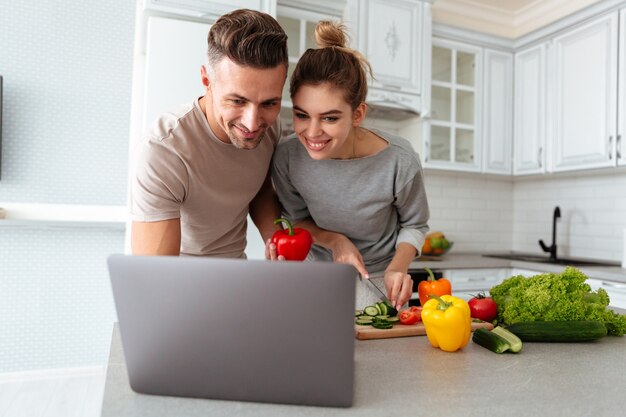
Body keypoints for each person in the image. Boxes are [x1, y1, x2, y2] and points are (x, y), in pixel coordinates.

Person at [270, 21, 430, 309]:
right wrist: (335, 241)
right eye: (302, 115)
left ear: (358, 114)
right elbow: (295, 220)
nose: (312, 132)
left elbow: (415, 224)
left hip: (380, 280)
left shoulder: (399, 159)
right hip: (316, 277)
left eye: (330, 118)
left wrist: (398, 266)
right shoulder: (288, 156)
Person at [130, 9, 288, 258]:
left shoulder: (270, 128)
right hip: (180, 282)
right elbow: (156, 273)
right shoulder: (164, 151)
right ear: (207, 81)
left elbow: (259, 190)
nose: (253, 123)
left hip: (236, 275)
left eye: (269, 103)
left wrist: (276, 241)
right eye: (237, 101)